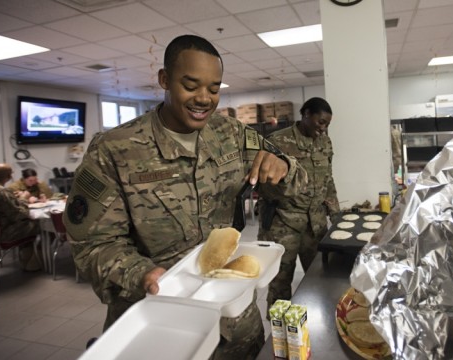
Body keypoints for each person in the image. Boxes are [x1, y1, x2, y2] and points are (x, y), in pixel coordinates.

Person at [63, 34, 307, 359]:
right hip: (161, 321)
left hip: (232, 319)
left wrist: (283, 168)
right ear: (164, 79)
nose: (204, 98)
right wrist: (141, 274)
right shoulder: (115, 150)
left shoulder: (232, 135)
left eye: (214, 88)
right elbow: (92, 244)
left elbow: (297, 183)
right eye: (191, 86)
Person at [257, 97, 340, 308]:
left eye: (327, 125)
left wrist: (336, 214)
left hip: (315, 224)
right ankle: (279, 334)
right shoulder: (277, 142)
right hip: (283, 225)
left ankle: (320, 325)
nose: (323, 129)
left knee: (321, 277)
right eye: (320, 122)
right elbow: (262, 186)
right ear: (305, 114)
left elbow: (328, 179)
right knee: (280, 284)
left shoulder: (325, 142)